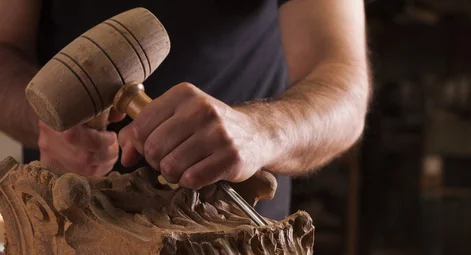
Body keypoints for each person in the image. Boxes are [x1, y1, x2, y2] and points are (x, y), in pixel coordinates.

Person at [0, 0, 371, 221]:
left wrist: (258, 131)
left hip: (234, 243)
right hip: (74, 223)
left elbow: (343, 89)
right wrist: (44, 120)